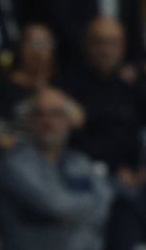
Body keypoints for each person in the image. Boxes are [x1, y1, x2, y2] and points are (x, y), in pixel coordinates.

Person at [0, 88, 118, 250]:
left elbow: (110, 204)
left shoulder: (80, 162)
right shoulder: (17, 164)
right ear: (30, 121)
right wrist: (86, 209)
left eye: (56, 115)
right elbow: (55, 205)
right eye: (40, 115)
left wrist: (73, 213)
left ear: (68, 121)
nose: (48, 122)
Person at [59, 15, 146, 179]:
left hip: (136, 174)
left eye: (113, 43)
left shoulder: (132, 85)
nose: (105, 50)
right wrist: (114, 170)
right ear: (86, 44)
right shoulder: (68, 87)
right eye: (99, 42)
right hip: (91, 174)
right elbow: (75, 143)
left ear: (123, 46)